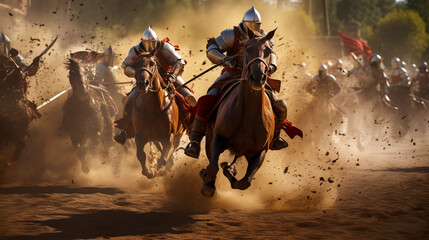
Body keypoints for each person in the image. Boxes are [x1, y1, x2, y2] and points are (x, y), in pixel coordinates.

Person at [184, 6, 288, 158]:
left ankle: (275, 137)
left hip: (256, 77)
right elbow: (211, 48)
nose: (254, 28)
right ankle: (195, 141)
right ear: (244, 23)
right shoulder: (231, 34)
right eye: (252, 25)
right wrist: (224, 58)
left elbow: (272, 55)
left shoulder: (264, 37)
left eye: (257, 26)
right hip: (232, 75)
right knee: (207, 99)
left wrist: (271, 67)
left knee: (279, 105)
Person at [114, 27, 196, 144]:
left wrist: (172, 76)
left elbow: (179, 62)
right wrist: (140, 74)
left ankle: (192, 131)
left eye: (151, 43)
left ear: (156, 41)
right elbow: (126, 66)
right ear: (142, 41)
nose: (149, 46)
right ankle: (126, 129)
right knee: (128, 100)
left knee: (188, 98)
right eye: (146, 43)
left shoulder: (165, 48)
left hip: (168, 77)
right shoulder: (136, 51)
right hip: (146, 80)